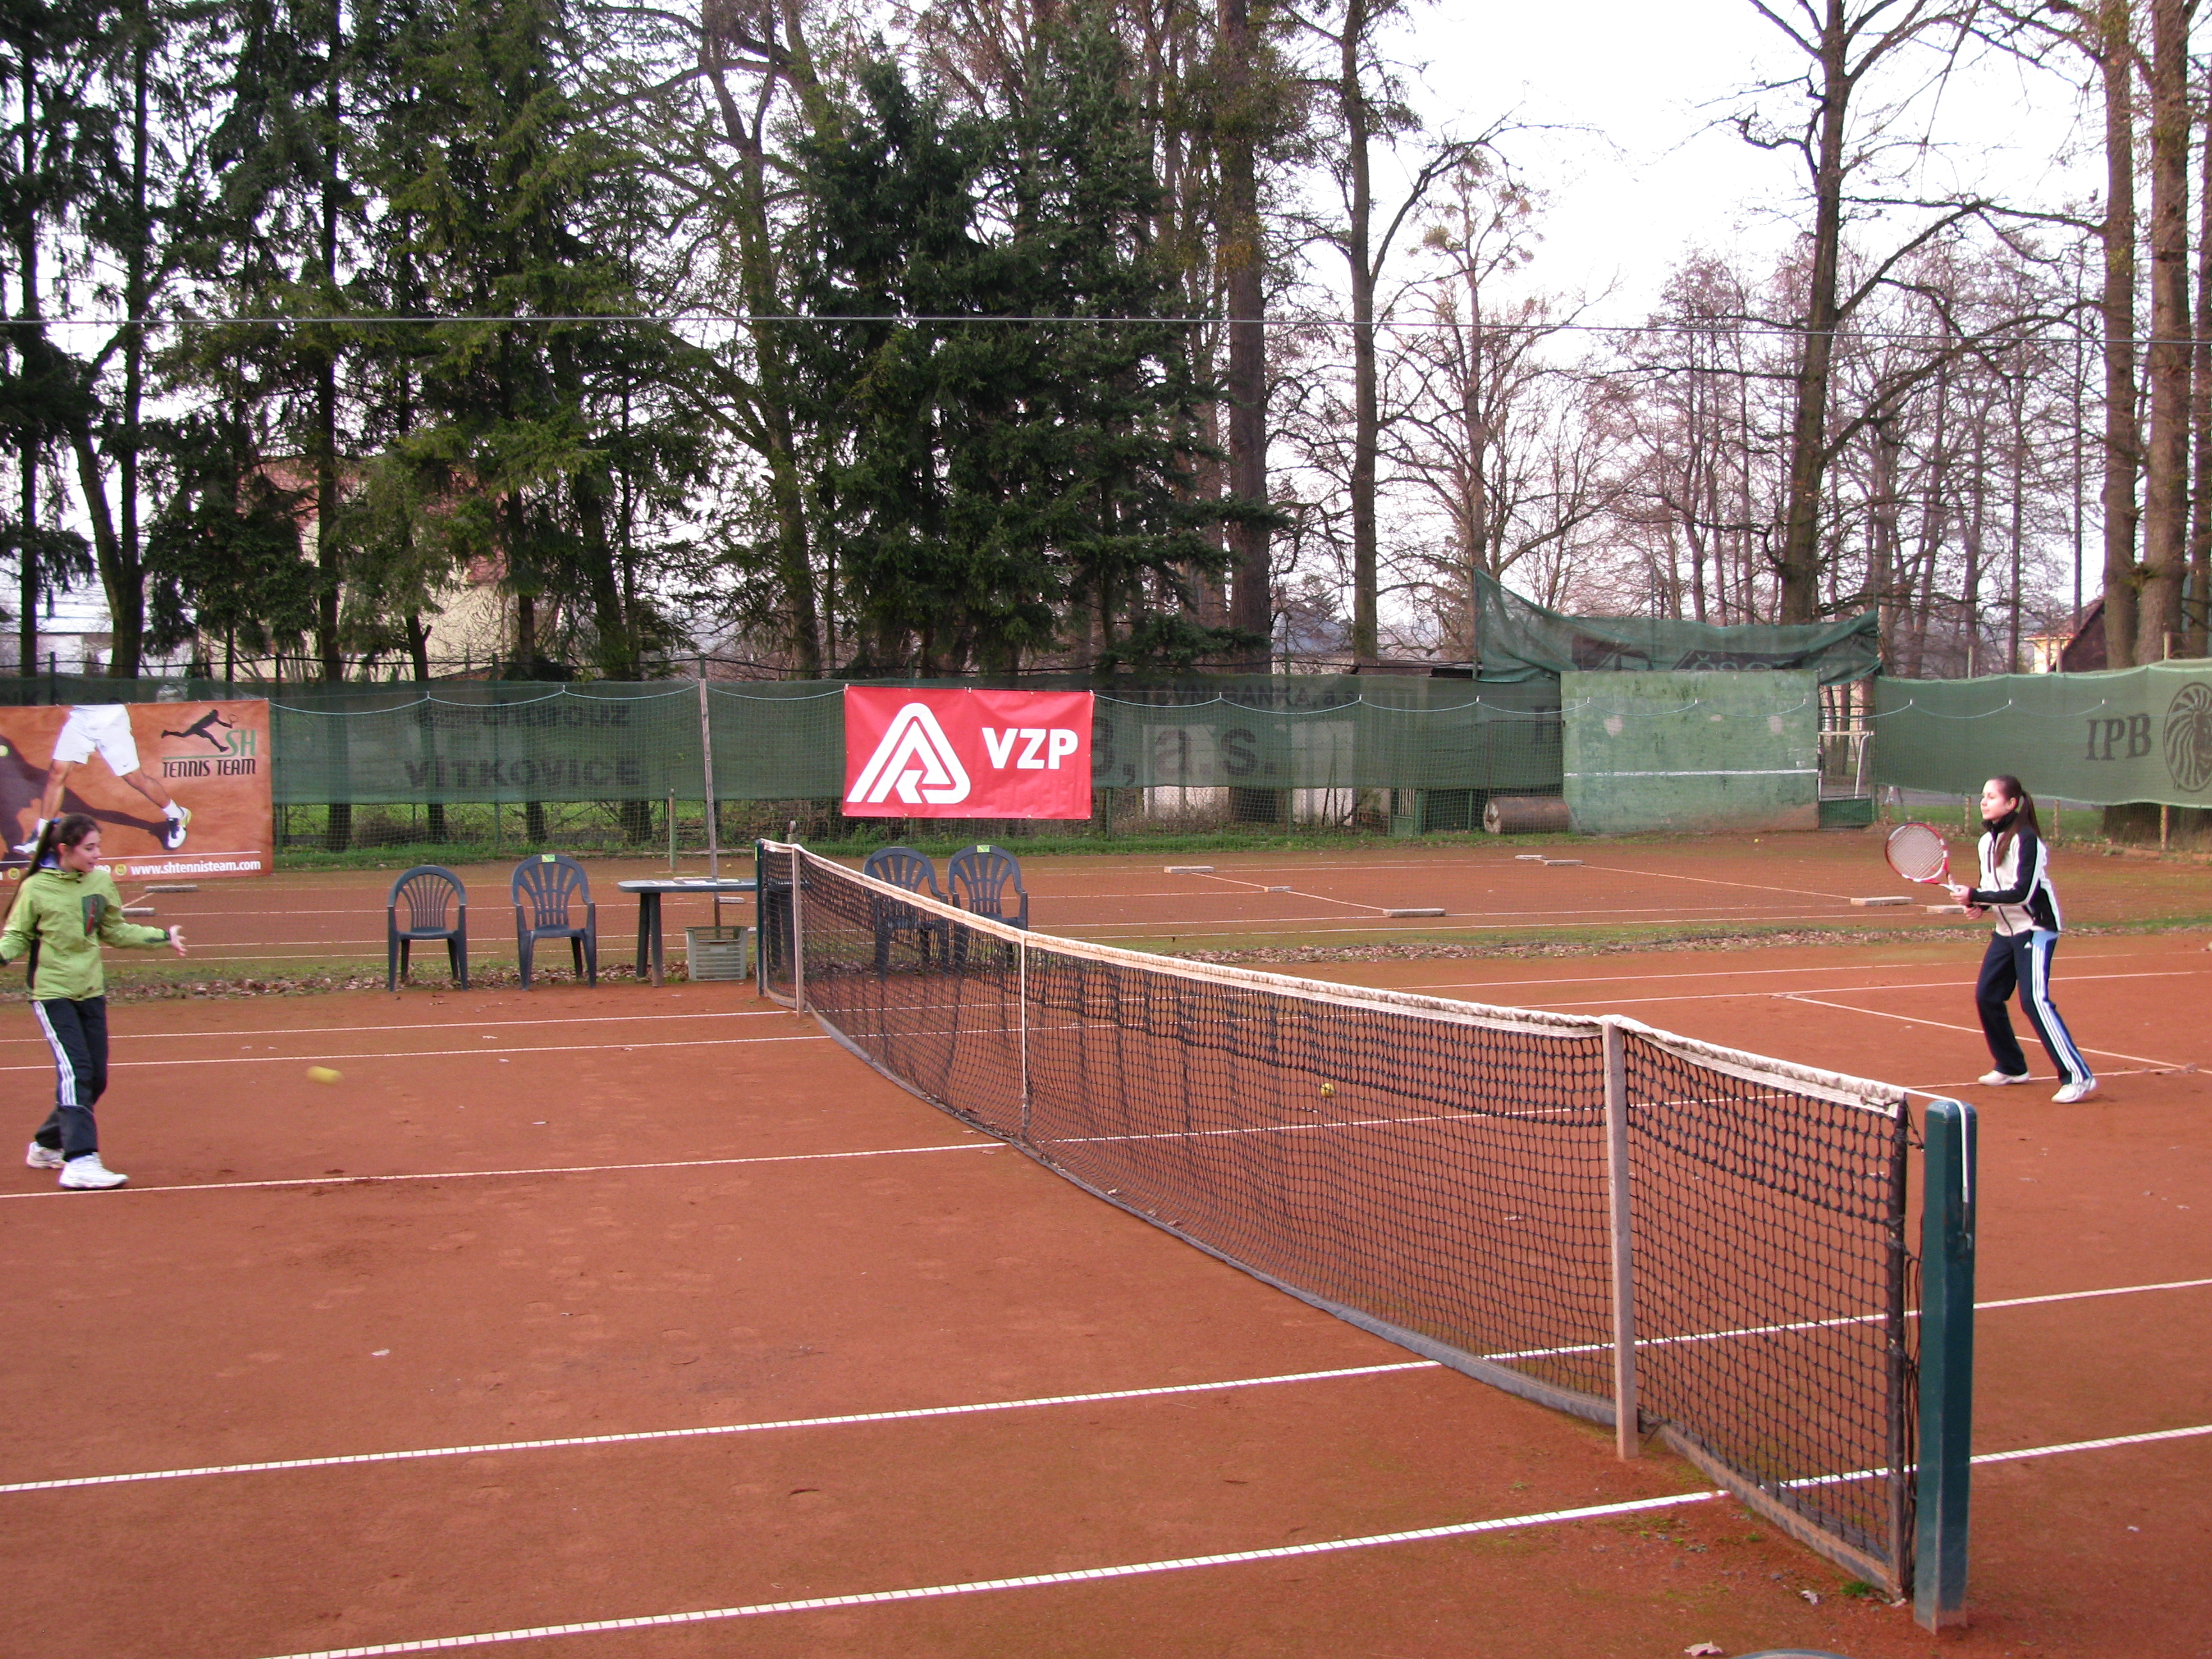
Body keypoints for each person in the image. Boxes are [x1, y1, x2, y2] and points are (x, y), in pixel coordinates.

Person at [4, 813, 188, 1189]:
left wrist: (162, 936)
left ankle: (46, 1145)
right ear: (64, 850)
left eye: (98, 847)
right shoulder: (36, 888)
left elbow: (115, 930)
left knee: (96, 1079)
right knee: (76, 1072)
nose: (97, 855)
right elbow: (16, 936)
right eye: (89, 849)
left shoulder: (100, 882)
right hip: (53, 992)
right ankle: (80, 1160)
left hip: (91, 991)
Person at [1946, 774, 2097, 1103]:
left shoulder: (2027, 840)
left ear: (2012, 803)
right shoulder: (1985, 843)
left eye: (1991, 796)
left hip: (2036, 929)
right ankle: (2012, 1066)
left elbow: (2022, 892)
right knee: (1988, 995)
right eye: (1983, 796)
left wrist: (1976, 894)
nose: (1984, 802)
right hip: (2005, 932)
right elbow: (1995, 888)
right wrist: (1979, 904)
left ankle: (2078, 1076)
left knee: (2034, 1001)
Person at [12, 703, 191, 855]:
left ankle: (177, 815)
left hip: (111, 719)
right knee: (57, 772)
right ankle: (42, 835)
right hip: (80, 718)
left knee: (133, 777)